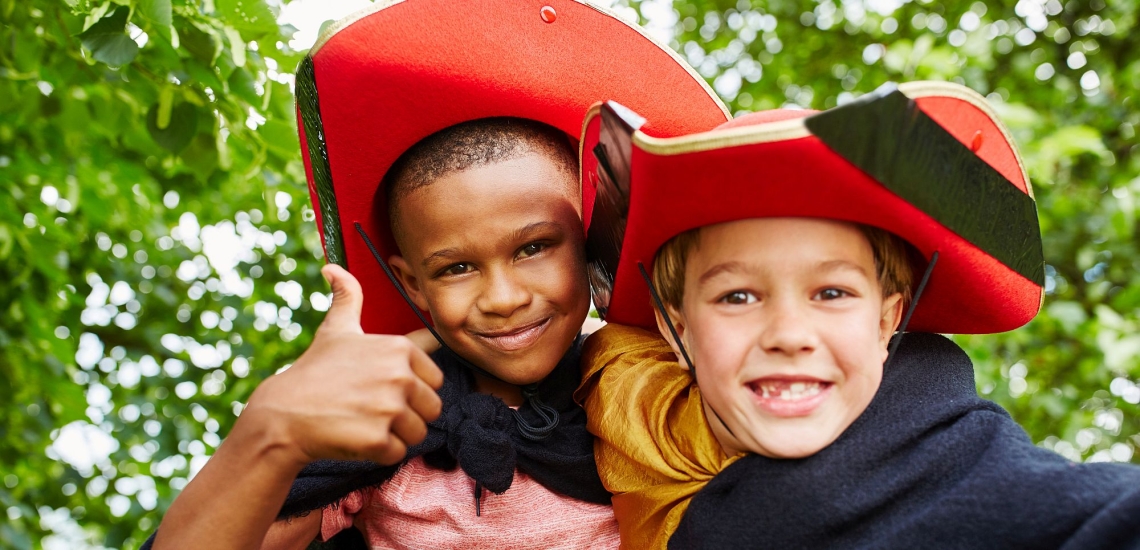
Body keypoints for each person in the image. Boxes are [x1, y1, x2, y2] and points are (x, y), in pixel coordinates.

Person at [145, 0, 729, 548]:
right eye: (456, 268)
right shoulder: (378, 415)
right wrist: (273, 429)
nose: (502, 298)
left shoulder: (652, 383)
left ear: (589, 239)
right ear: (410, 282)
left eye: (533, 248)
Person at [575, 81, 1140, 548]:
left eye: (832, 294)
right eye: (738, 297)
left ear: (887, 321)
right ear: (678, 331)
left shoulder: (960, 465)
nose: (790, 335)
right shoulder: (626, 408)